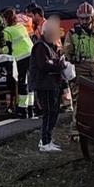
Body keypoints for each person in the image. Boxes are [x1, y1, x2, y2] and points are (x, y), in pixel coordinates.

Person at [63, 2, 94, 118]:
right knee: (80, 104)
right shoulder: (72, 34)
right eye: (82, 19)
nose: (84, 21)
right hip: (80, 74)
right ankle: (77, 130)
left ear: (93, 17)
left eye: (87, 18)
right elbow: (67, 53)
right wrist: (72, 58)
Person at [29, 17, 68, 152]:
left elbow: (53, 63)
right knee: (49, 112)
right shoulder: (40, 46)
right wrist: (58, 65)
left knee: (54, 112)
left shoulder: (52, 47)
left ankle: (48, 139)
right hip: (44, 85)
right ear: (45, 33)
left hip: (53, 84)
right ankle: (45, 142)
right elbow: (43, 65)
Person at [1, 8, 34, 118]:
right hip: (31, 54)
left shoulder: (7, 32)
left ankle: (22, 109)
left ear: (6, 19)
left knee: (22, 83)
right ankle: (30, 107)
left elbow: (6, 50)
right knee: (29, 83)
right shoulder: (21, 27)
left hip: (21, 58)